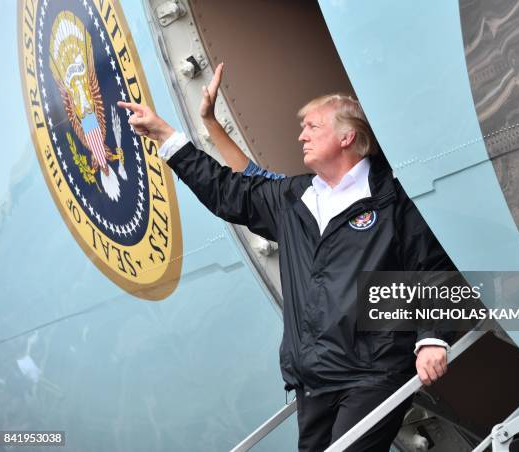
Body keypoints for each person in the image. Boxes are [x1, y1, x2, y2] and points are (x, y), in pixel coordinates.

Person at [118, 67, 453, 451]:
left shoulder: (394, 199)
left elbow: (433, 269)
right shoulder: (293, 198)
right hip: (313, 377)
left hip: (373, 373)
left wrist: (432, 339)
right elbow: (227, 191)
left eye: (312, 127)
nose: (301, 135)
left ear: (347, 137)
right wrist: (167, 136)